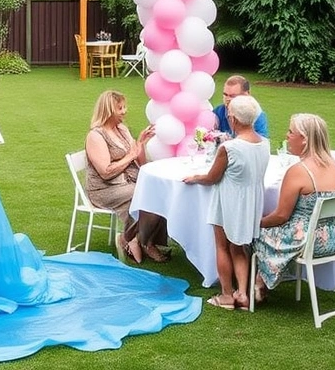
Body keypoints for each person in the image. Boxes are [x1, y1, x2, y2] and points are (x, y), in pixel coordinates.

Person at [183, 95, 269, 310]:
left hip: (228, 201)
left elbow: (212, 177)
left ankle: (227, 295)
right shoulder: (264, 144)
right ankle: (242, 292)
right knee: (239, 247)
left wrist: (195, 177)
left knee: (222, 246)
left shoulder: (229, 148)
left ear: (233, 119)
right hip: (250, 201)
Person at [251, 113, 335, 303]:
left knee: (254, 233)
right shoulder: (333, 164)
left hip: (309, 240)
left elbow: (281, 216)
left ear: (304, 139)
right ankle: (263, 279)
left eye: (291, 132)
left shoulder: (299, 171)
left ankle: (257, 283)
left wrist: (256, 223)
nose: (287, 136)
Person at [85, 90, 168, 263]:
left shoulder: (121, 129)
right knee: (147, 196)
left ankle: (141, 240)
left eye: (124, 107)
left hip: (129, 181)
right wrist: (130, 155)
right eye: (120, 108)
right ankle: (135, 239)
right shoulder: (95, 135)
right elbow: (105, 172)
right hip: (105, 188)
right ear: (108, 110)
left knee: (161, 192)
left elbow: (139, 159)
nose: (124, 111)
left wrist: (141, 143)